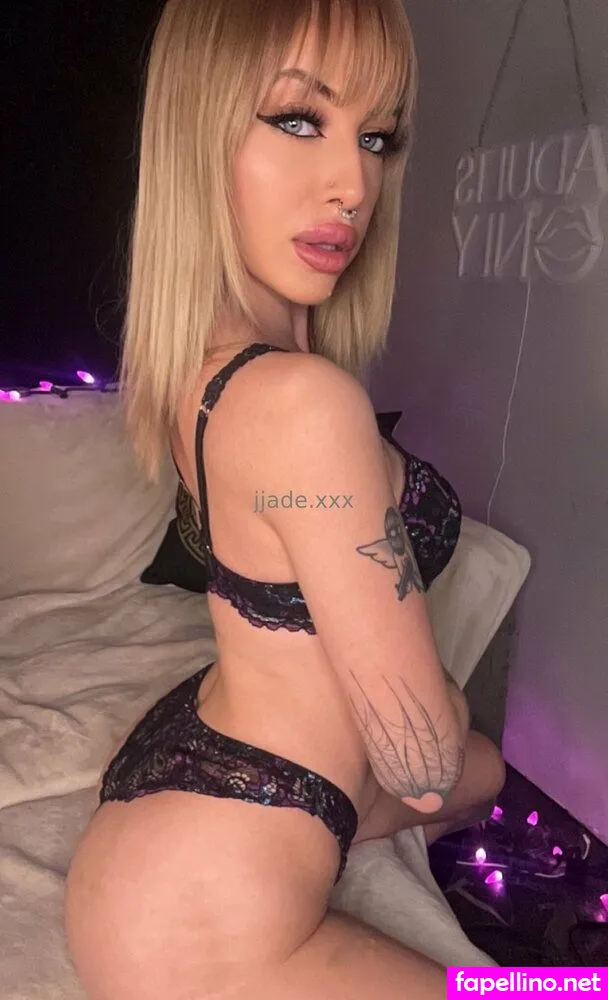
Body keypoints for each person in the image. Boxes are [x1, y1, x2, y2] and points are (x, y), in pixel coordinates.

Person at [65, 0, 506, 996]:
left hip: (191, 782)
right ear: (200, 133)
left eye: (377, 137)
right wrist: (454, 736)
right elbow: (424, 762)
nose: (353, 184)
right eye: (299, 119)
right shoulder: (305, 405)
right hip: (198, 918)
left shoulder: (208, 375)